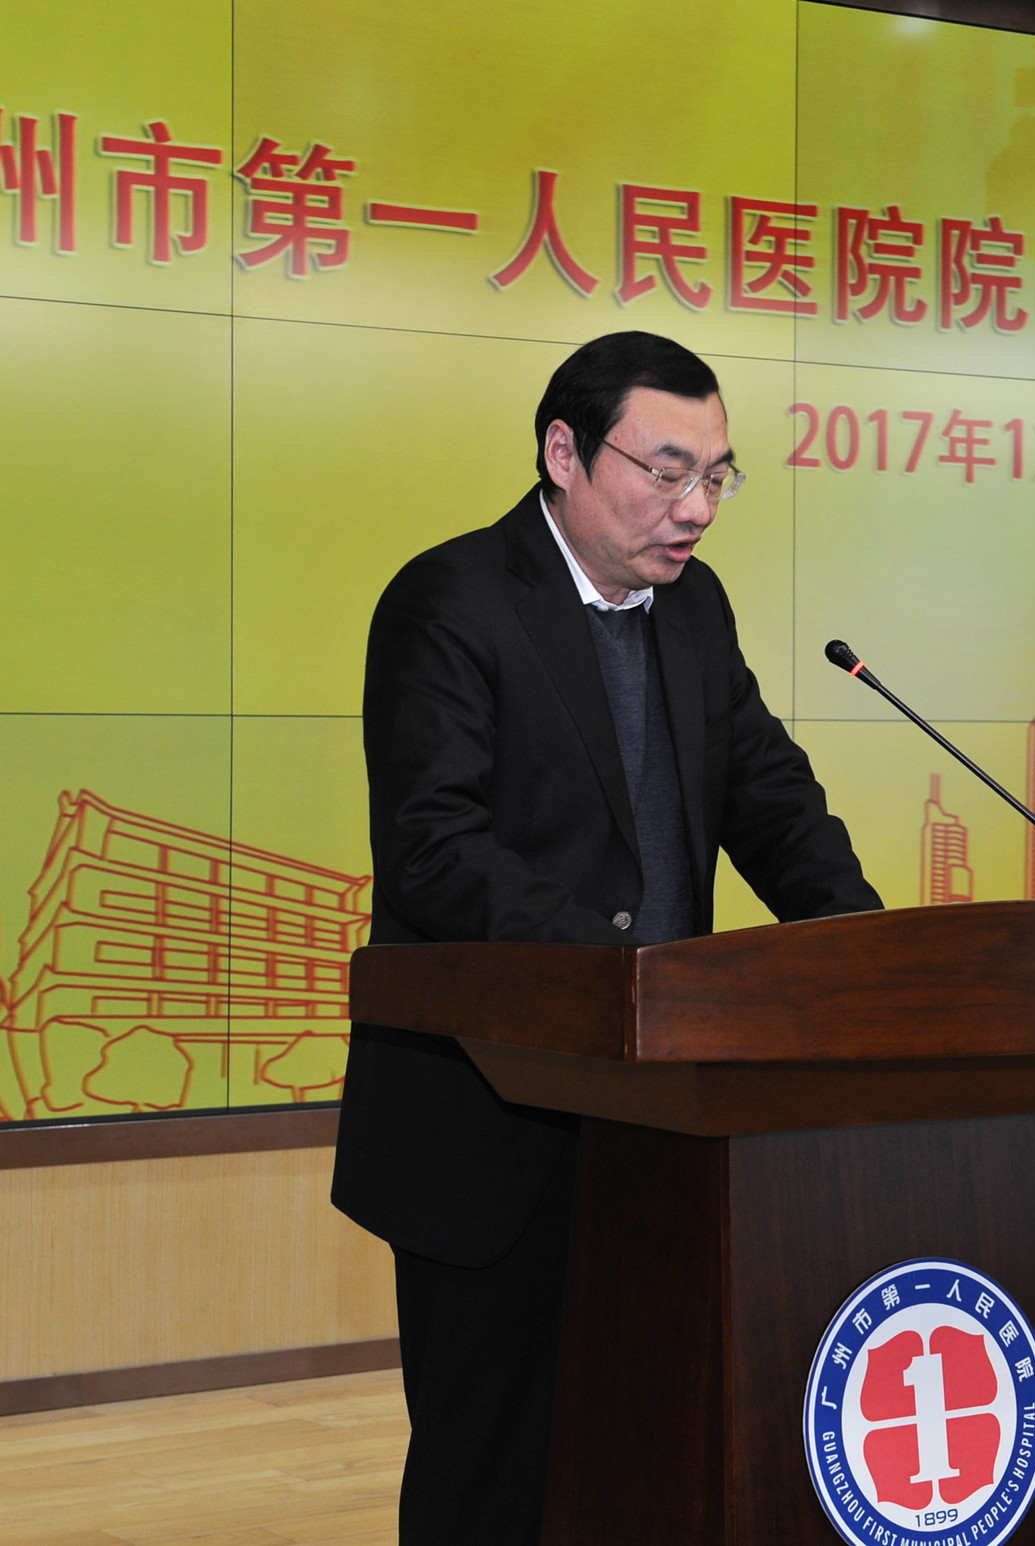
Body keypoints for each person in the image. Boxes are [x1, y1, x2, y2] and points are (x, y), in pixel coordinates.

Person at [331, 331, 881, 1544]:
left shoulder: (694, 608)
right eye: (667, 471)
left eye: (716, 476)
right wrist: (632, 976)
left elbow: (769, 800)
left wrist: (865, 950)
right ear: (563, 452)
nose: (696, 509)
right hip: (497, 1119)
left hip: (667, 1115)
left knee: (654, 1450)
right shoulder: (452, 599)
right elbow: (433, 849)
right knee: (497, 1476)